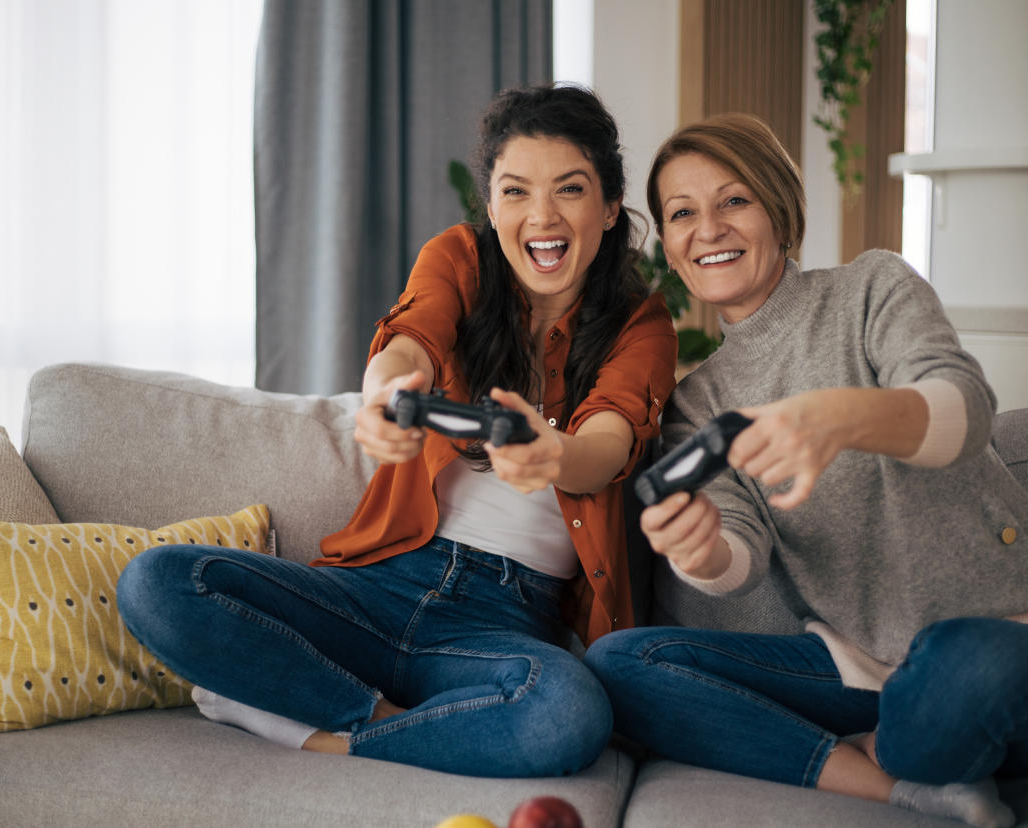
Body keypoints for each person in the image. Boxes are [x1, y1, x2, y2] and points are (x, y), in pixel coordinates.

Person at [115, 84, 677, 778]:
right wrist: (384, 395)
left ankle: (321, 733)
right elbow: (411, 340)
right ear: (492, 204)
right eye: (515, 191)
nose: (542, 216)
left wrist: (553, 452)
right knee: (157, 581)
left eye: (570, 189)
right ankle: (382, 719)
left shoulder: (640, 323)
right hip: (376, 587)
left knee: (569, 713)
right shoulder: (462, 261)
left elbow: (607, 446)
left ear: (610, 205)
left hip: (499, 622)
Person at [583, 113, 1028, 826]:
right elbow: (738, 555)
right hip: (864, 671)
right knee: (622, 665)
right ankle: (892, 781)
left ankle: (884, 741)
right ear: (673, 251)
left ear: (779, 209)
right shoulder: (700, 402)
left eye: (734, 200)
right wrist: (700, 545)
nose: (707, 228)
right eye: (683, 213)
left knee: (960, 665)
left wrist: (835, 418)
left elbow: (961, 407)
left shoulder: (870, 289)